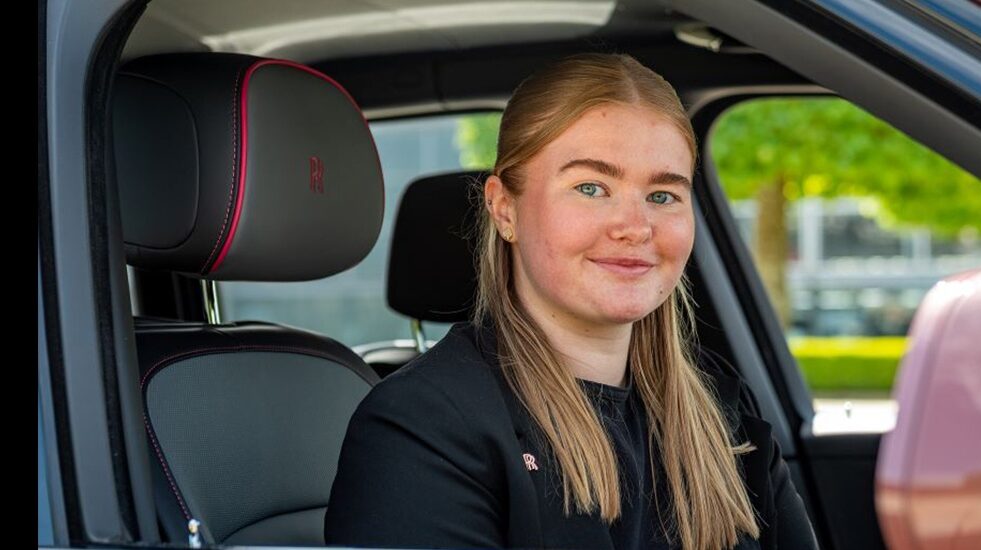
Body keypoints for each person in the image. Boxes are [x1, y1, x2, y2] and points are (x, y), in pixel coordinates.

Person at [325, 53, 820, 550]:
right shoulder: (422, 427)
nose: (635, 226)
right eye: (591, 187)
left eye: (664, 195)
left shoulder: (720, 406)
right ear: (503, 208)